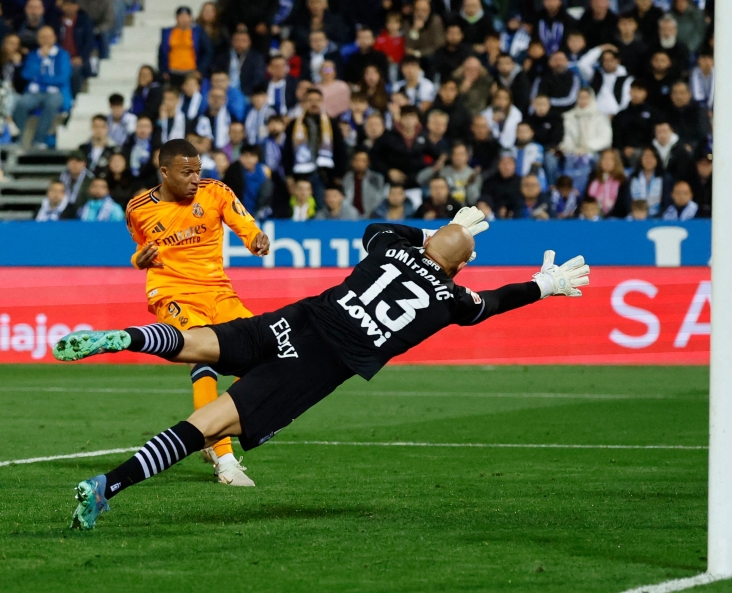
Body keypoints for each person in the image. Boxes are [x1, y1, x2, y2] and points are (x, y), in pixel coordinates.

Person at [56, 212, 590, 531]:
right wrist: (543, 286)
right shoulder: (451, 296)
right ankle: (106, 485)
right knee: (210, 425)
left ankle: (125, 338)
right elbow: (491, 303)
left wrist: (431, 228)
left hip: (300, 318)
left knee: (199, 343)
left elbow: (375, 228)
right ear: (459, 267)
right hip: (317, 363)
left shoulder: (391, 248)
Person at [123, 139, 271, 485]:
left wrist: (256, 240)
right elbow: (139, 249)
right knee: (202, 357)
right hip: (174, 293)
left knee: (265, 355)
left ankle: (208, 433)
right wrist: (137, 260)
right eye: (186, 172)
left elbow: (246, 225)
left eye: (198, 171)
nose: (195, 178)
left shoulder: (215, 192)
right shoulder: (138, 208)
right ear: (164, 173)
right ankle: (225, 459)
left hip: (218, 292)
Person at [13, 26, 72, 148]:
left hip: (55, 92)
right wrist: (41, 60)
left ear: (54, 38)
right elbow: (26, 74)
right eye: (43, 37)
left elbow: (62, 78)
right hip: (34, 92)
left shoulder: (62, 55)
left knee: (51, 105)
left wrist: (41, 79)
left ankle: (39, 139)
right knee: (21, 104)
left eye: (49, 37)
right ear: (38, 39)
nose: (46, 40)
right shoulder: (34, 55)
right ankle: (20, 137)